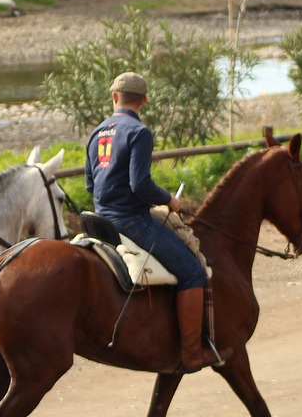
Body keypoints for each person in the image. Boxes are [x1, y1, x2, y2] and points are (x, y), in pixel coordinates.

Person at [85, 71, 227, 373]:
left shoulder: (97, 133)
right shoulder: (139, 133)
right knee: (192, 272)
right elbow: (139, 185)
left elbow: (89, 184)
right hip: (130, 220)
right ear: (144, 101)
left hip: (99, 218)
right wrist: (168, 200)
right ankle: (191, 354)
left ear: (114, 98)